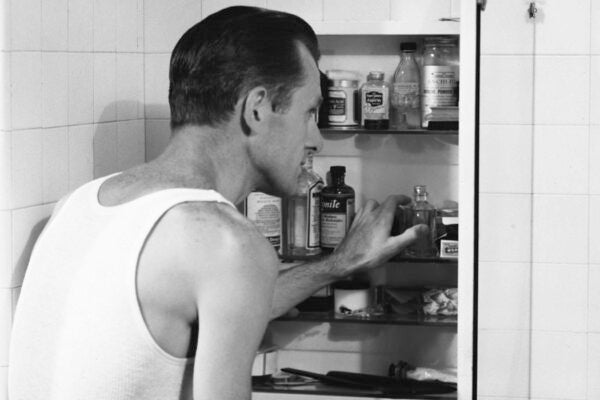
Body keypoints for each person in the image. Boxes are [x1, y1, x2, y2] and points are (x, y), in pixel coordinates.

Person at [8, 6, 426, 400]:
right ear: (257, 109)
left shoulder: (80, 204)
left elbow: (214, 302)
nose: (315, 139)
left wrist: (340, 264)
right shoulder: (226, 242)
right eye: (309, 113)